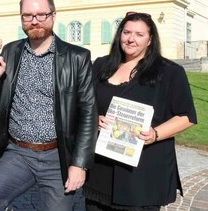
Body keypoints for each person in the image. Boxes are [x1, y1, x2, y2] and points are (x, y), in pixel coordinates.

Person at [0, 0, 97, 211]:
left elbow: (89, 113)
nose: (34, 21)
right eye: (28, 16)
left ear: (53, 15)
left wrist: (79, 164)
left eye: (41, 15)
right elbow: (0, 101)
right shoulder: (11, 51)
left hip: (57, 155)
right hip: (18, 153)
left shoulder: (77, 57)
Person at [83, 12, 197, 210]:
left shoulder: (170, 72)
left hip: (142, 173)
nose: (131, 39)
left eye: (139, 34)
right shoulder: (101, 65)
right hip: (101, 169)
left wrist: (155, 134)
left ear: (150, 40)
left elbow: (186, 117)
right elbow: (85, 102)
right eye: (126, 32)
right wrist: (94, 118)